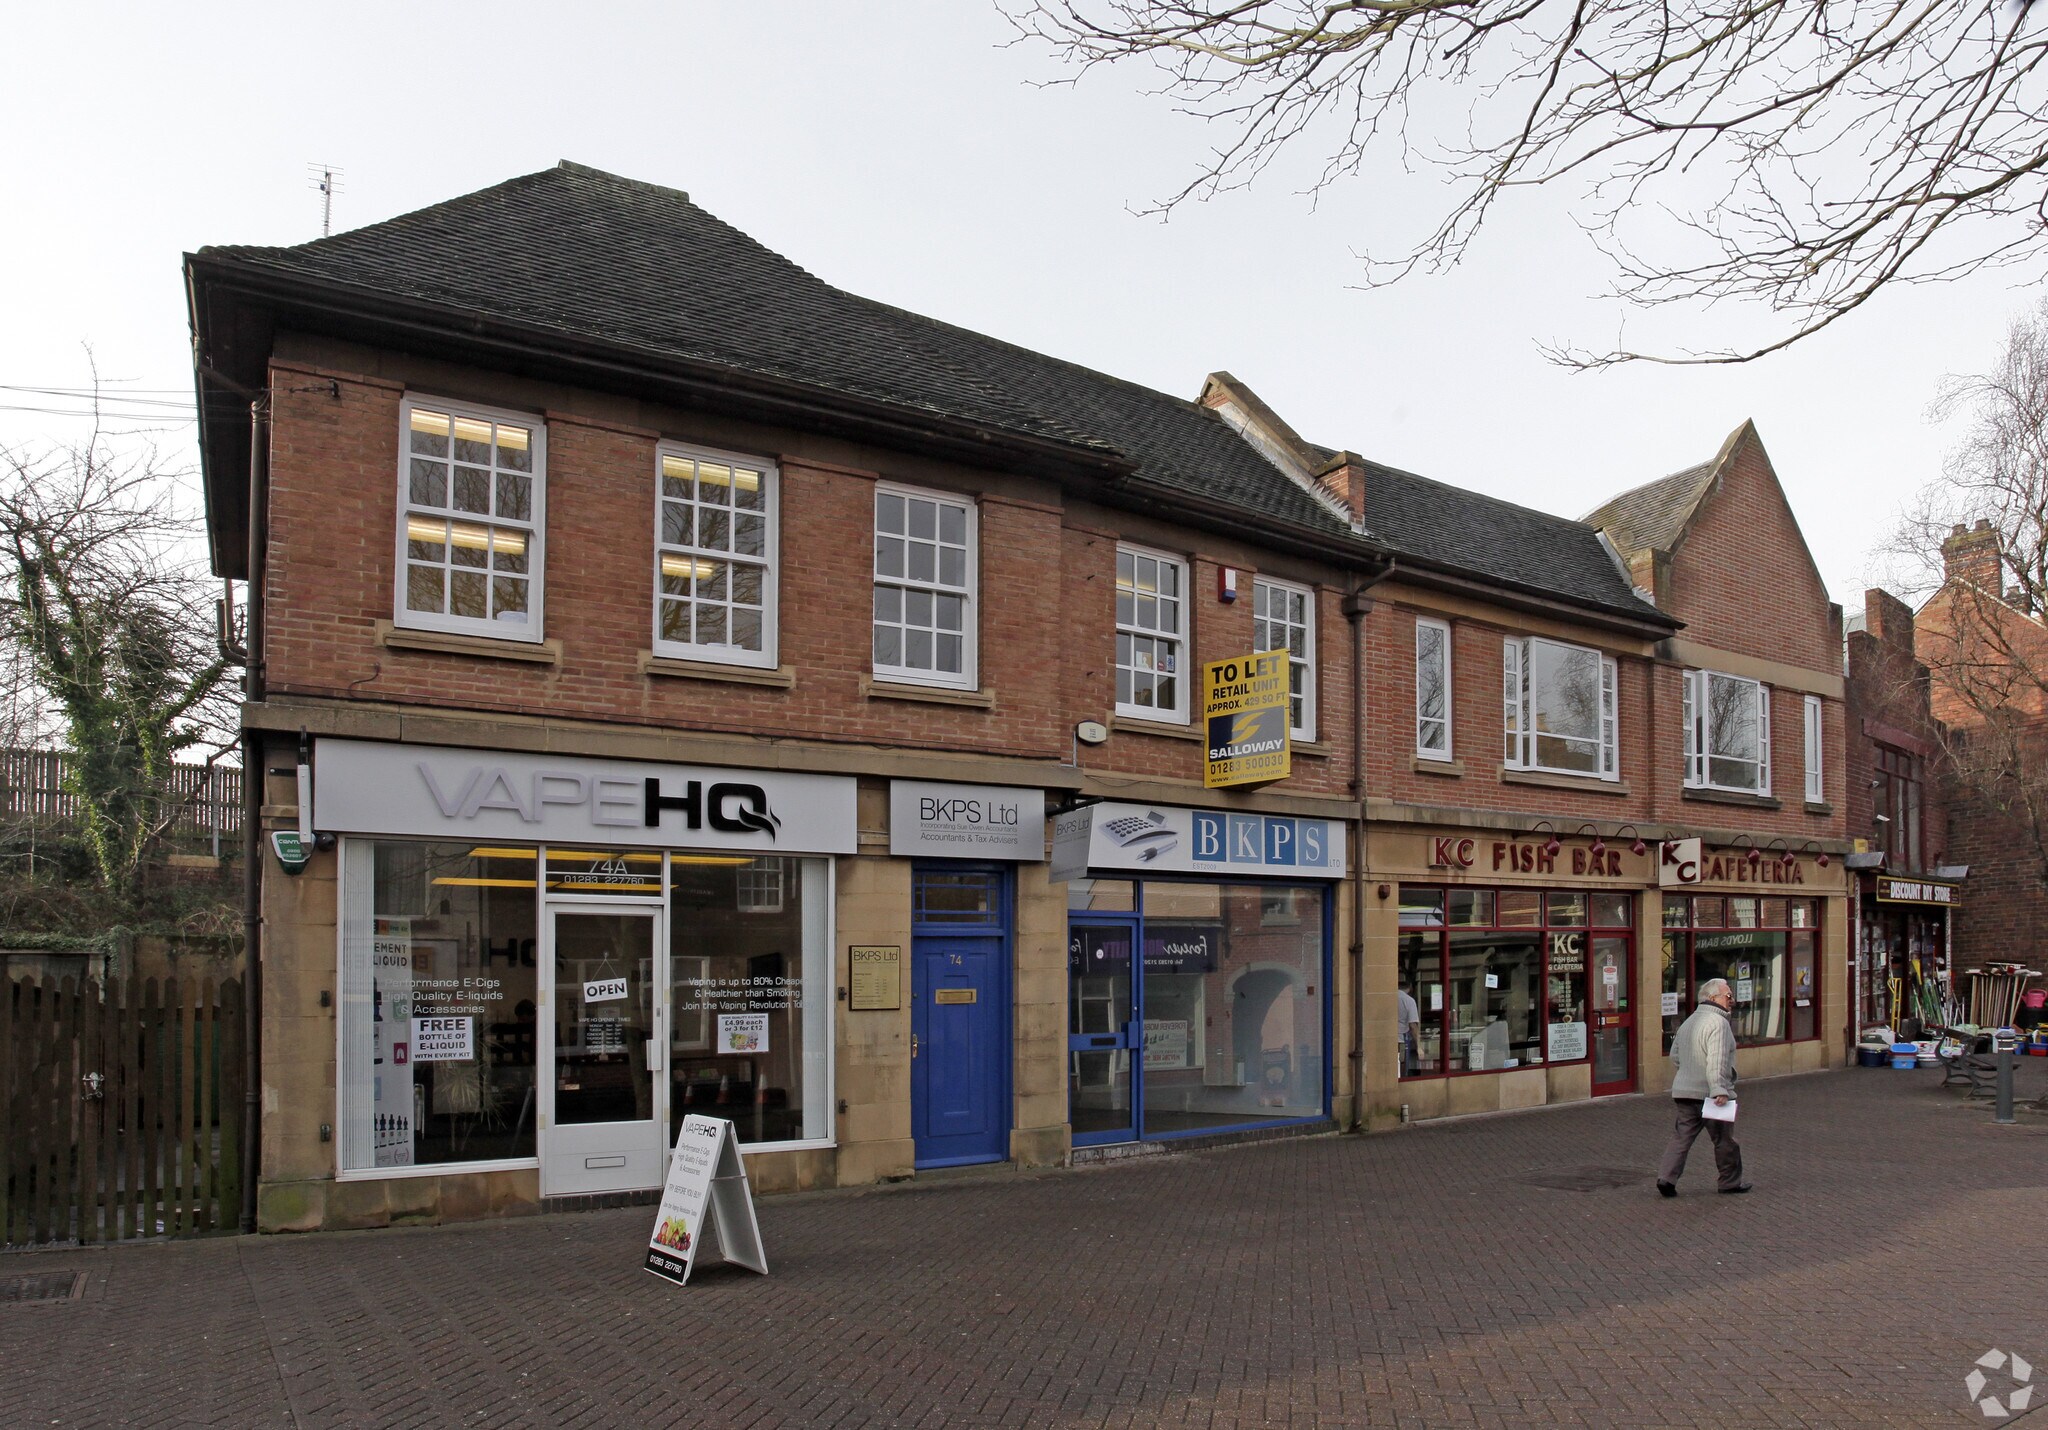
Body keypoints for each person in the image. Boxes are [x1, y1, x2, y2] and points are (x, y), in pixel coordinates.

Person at [1657, 977, 1750, 1196]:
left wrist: (1688, 1073)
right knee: (1725, 1140)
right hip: (1710, 1094)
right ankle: (1729, 1182)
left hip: (1684, 1091)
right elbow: (1717, 1060)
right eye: (1727, 996)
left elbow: (1675, 1056)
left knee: (1681, 1137)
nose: (1731, 1000)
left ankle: (1666, 1178)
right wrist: (1719, 1089)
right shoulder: (1719, 1023)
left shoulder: (1689, 1021)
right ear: (1713, 998)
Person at [1396, 975, 1422, 1077]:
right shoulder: (1409, 1001)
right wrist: (1419, 1046)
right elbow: (1413, 1025)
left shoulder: (1387, 997)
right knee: (1402, 1071)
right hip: (1401, 1040)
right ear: (1410, 987)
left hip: (1388, 1039)